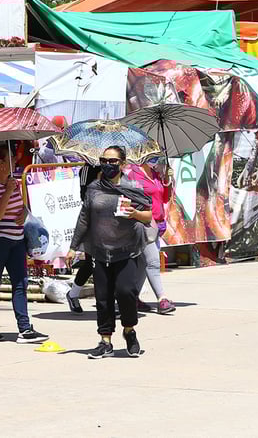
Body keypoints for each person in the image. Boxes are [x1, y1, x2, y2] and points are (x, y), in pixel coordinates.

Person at [70, 146, 152, 359]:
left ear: (123, 164)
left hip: (127, 250)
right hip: (100, 250)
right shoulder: (94, 188)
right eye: (104, 160)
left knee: (126, 292)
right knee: (103, 298)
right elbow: (84, 218)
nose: (107, 164)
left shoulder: (132, 186)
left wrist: (135, 213)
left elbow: (149, 215)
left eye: (113, 161)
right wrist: (73, 247)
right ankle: (105, 340)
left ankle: (129, 330)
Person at [0, 145, 48, 344]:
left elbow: (22, 207)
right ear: (0, 164)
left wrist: (24, 212)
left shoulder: (13, 182)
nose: (15, 162)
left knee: (20, 282)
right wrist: (7, 191)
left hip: (16, 241)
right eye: (10, 159)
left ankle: (24, 328)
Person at [127, 156, 176, 315]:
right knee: (153, 261)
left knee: (143, 264)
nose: (155, 158)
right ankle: (162, 299)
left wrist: (167, 180)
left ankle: (132, 298)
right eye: (152, 155)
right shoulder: (133, 175)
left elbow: (164, 198)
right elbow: (130, 200)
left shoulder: (156, 174)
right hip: (143, 224)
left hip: (158, 225)